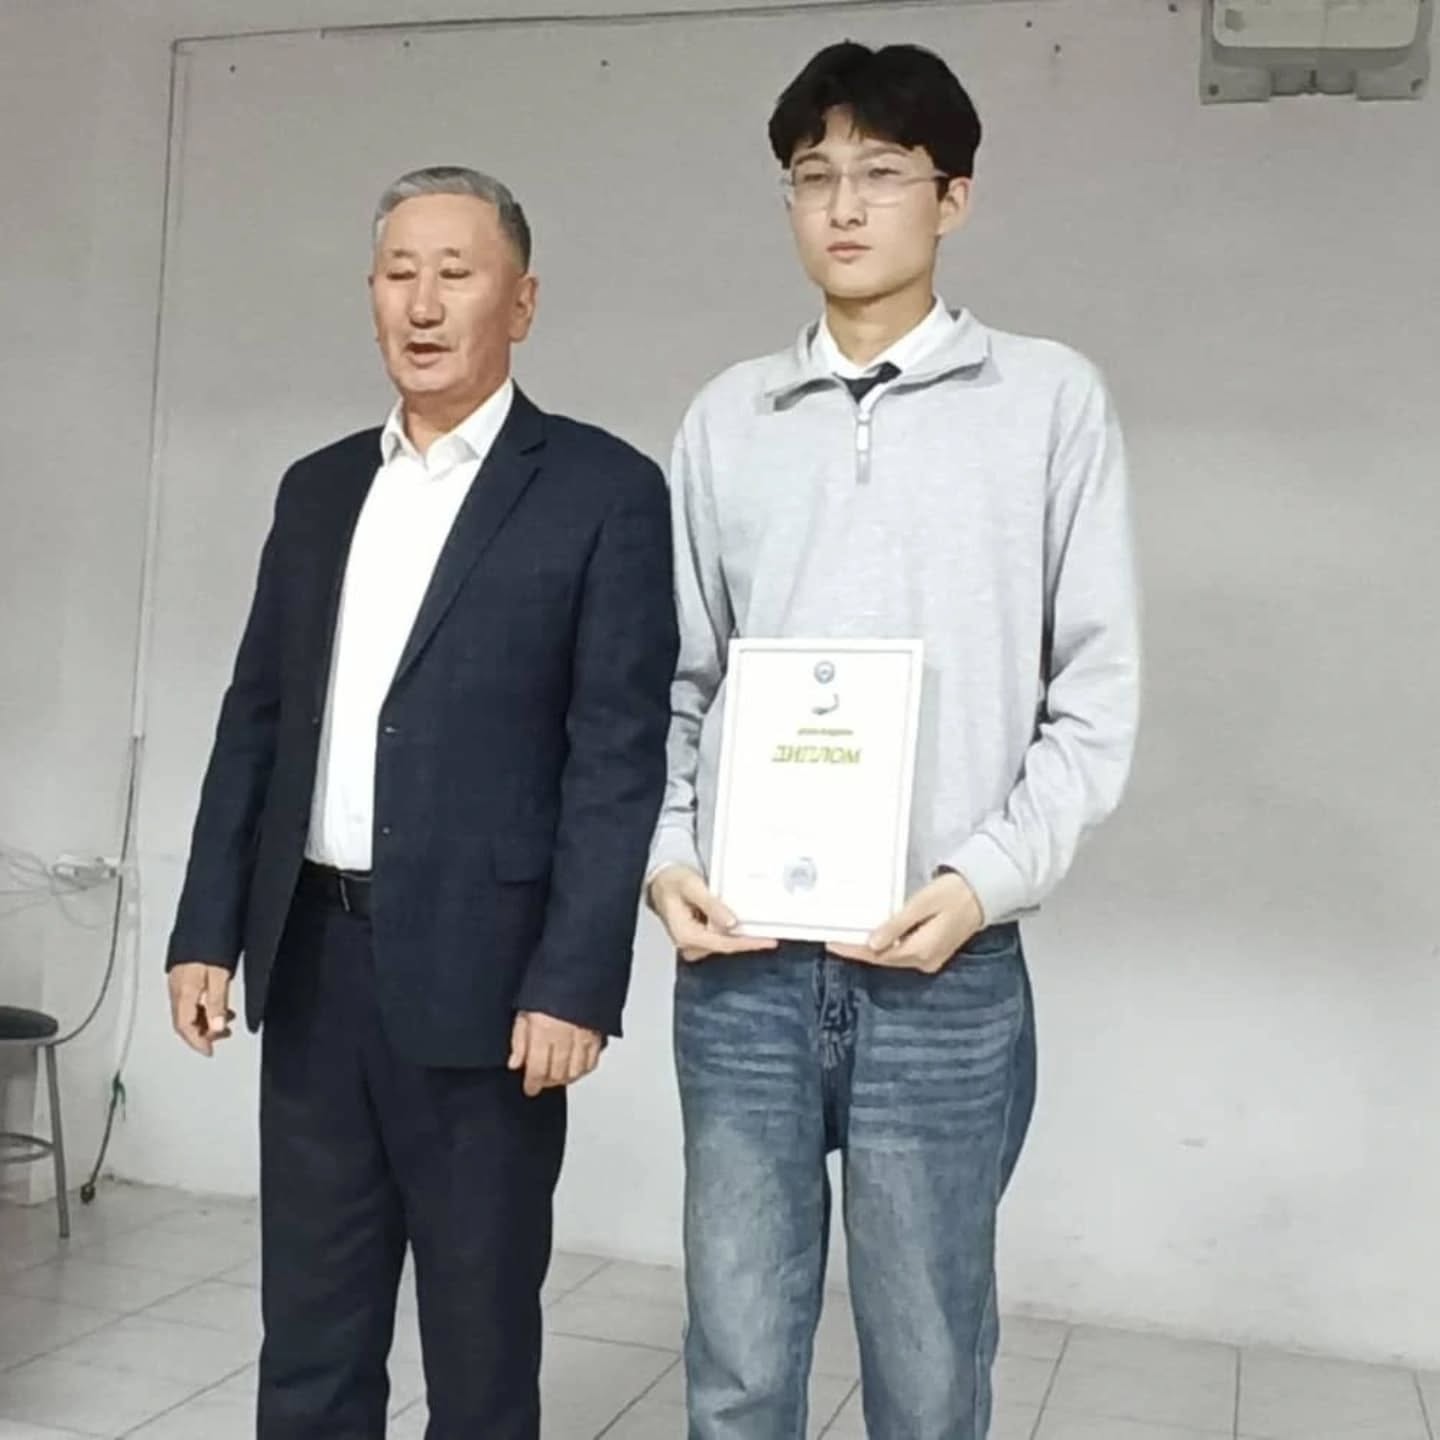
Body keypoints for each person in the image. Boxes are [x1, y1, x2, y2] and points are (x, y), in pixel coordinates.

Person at [647, 43, 1140, 1440]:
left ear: (954, 196)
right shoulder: (728, 419)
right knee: (738, 1366)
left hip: (944, 971)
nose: (846, 206)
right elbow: (670, 681)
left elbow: (1095, 693)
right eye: (814, 178)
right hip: (742, 969)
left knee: (927, 1375)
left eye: (881, 173)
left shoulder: (1048, 403)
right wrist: (667, 857)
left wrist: (982, 882)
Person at [166, 165, 677, 1439]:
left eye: (457, 273)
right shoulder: (319, 488)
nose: (425, 303)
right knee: (311, 1335)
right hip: (314, 965)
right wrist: (205, 928)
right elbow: (256, 719)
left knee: (479, 1340)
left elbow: (616, 755)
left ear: (523, 302)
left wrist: (576, 981)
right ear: (372, 294)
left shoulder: (602, 492)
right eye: (400, 274)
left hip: (492, 986)